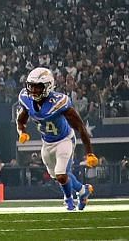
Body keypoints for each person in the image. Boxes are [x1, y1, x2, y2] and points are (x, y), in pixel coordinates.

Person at [17, 66, 99, 210]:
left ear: (48, 86)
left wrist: (89, 153)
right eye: (31, 87)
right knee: (57, 176)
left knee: (61, 174)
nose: (33, 91)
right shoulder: (26, 99)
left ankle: (68, 200)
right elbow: (21, 118)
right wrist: (21, 131)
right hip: (47, 142)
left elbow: (80, 127)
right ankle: (82, 190)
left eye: (38, 87)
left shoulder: (58, 102)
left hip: (64, 139)